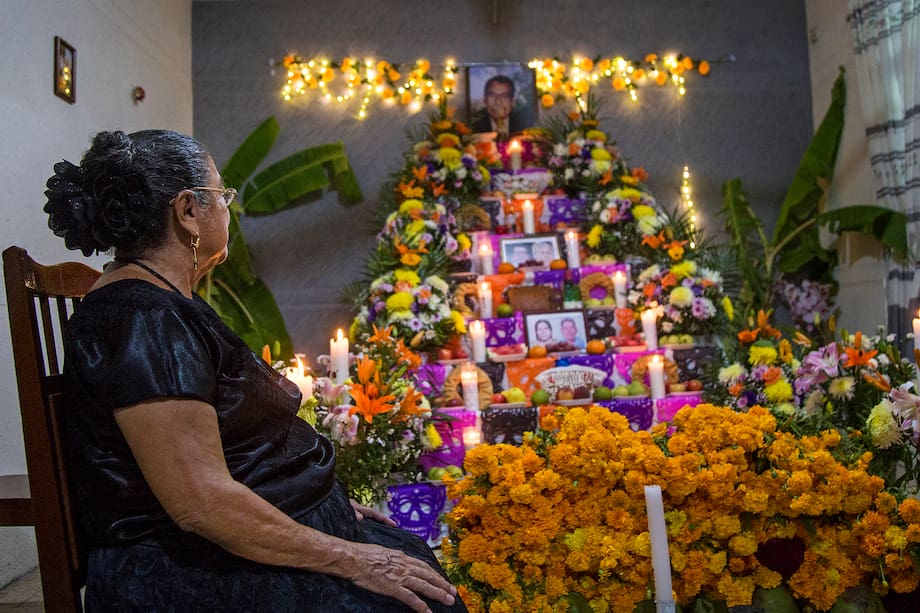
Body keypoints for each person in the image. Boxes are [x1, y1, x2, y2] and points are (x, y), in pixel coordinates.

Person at [44, 130, 465, 612]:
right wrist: (348, 556)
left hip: (224, 547)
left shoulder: (162, 302)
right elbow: (200, 503)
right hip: (187, 573)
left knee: (416, 567)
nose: (228, 208)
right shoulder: (143, 321)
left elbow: (234, 445)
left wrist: (311, 497)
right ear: (187, 212)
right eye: (222, 195)